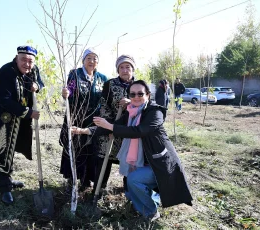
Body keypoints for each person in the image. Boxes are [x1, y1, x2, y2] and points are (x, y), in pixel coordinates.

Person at [72, 80, 193, 222]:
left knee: (133, 180)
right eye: (133, 94)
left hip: (160, 164)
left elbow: (140, 131)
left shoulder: (155, 112)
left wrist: (111, 127)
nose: (136, 97)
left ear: (147, 95)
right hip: (146, 162)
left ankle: (150, 212)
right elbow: (112, 125)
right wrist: (83, 130)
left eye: (140, 93)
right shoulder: (131, 113)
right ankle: (145, 204)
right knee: (131, 186)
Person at [0, 45, 44, 205]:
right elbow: (4, 99)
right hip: (2, 115)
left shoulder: (33, 70)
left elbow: (40, 82)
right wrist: (28, 112)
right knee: (2, 148)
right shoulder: (6, 72)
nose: (27, 64)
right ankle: (5, 188)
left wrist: (37, 86)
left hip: (20, 118)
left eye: (30, 61)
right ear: (16, 58)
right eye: (23, 60)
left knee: (13, 147)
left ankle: (9, 179)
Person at [59, 47, 108, 192]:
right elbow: (70, 91)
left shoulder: (102, 78)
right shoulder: (75, 74)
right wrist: (65, 93)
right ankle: (72, 179)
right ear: (83, 61)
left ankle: (87, 180)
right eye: (89, 58)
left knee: (91, 149)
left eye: (95, 58)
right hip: (76, 117)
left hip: (93, 120)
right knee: (74, 147)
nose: (92, 61)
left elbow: (104, 99)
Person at [93, 54, 135, 194]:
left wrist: (131, 102)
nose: (124, 70)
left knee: (129, 161)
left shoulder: (138, 86)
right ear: (117, 70)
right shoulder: (110, 84)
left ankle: (129, 191)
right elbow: (104, 105)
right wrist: (109, 125)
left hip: (130, 131)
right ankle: (99, 189)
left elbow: (145, 105)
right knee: (104, 159)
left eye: (127, 67)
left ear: (132, 69)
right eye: (121, 67)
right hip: (110, 129)